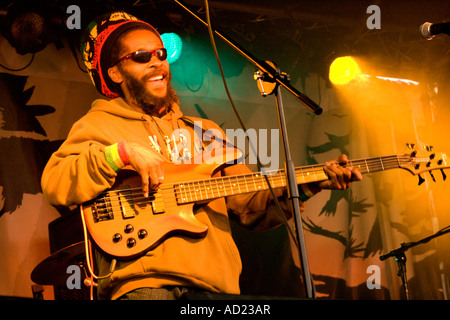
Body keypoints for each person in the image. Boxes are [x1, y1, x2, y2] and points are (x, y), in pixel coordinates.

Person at [41, 11, 362, 300]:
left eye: (160, 53)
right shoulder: (100, 122)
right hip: (144, 287)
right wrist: (120, 154)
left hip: (214, 286)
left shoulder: (206, 131)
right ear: (115, 74)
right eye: (141, 56)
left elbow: (251, 205)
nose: (157, 62)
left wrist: (308, 184)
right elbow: (56, 182)